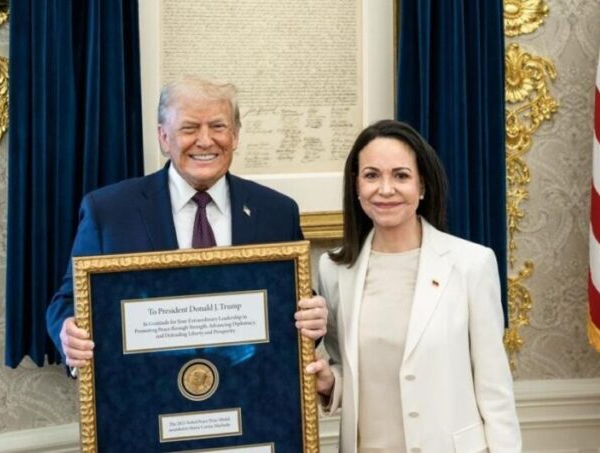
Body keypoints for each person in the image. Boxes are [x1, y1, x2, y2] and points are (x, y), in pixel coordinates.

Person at [46, 77, 327, 368]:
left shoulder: (277, 212)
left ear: (235, 135)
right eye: (189, 128)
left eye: (218, 127)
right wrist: (68, 332)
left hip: (249, 394)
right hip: (146, 395)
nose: (205, 141)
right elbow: (67, 302)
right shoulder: (109, 212)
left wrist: (314, 317)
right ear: (164, 137)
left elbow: (294, 305)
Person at [307, 120, 521, 452]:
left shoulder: (471, 264)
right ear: (356, 186)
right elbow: (349, 369)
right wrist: (328, 382)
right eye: (372, 175)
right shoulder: (334, 269)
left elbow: (494, 388)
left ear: (422, 186)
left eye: (401, 175)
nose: (386, 189)